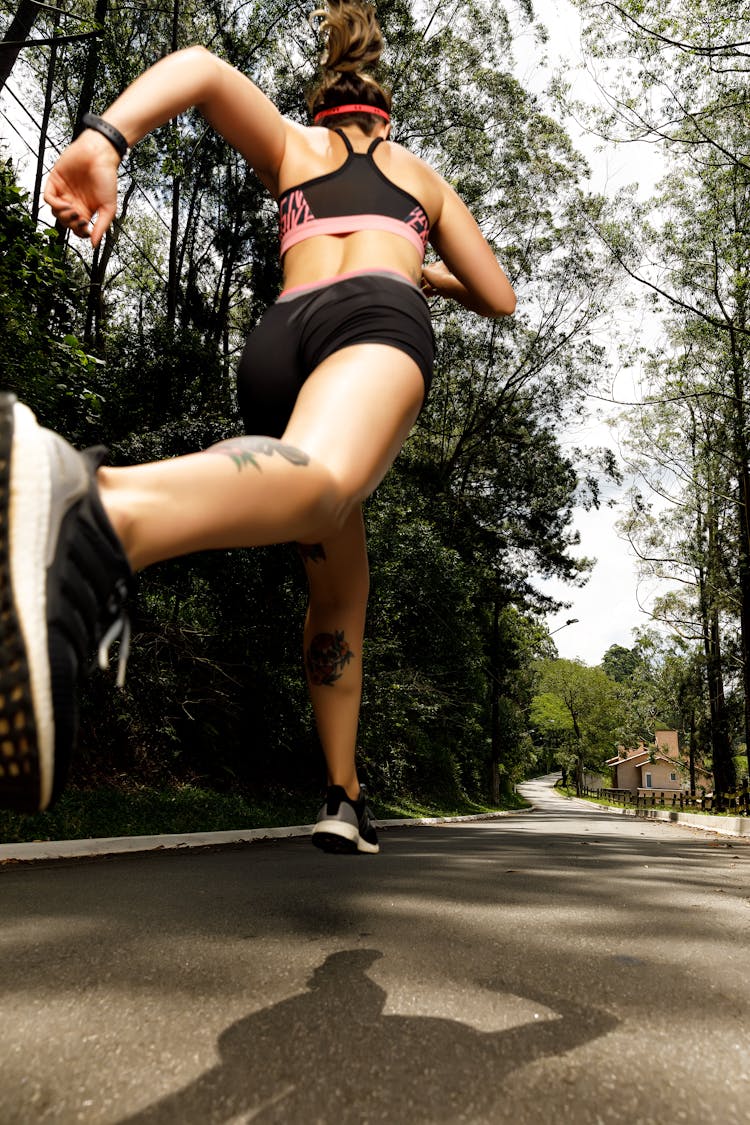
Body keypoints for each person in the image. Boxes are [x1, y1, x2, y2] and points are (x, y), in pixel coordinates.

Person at [0, 0, 515, 851]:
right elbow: (497, 295)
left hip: (283, 342)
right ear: (386, 116)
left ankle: (343, 793)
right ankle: (92, 509)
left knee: (341, 582)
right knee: (324, 485)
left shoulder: (292, 146)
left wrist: (104, 138)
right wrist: (423, 272)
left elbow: (200, 67)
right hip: (373, 325)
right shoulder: (422, 179)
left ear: (325, 106)